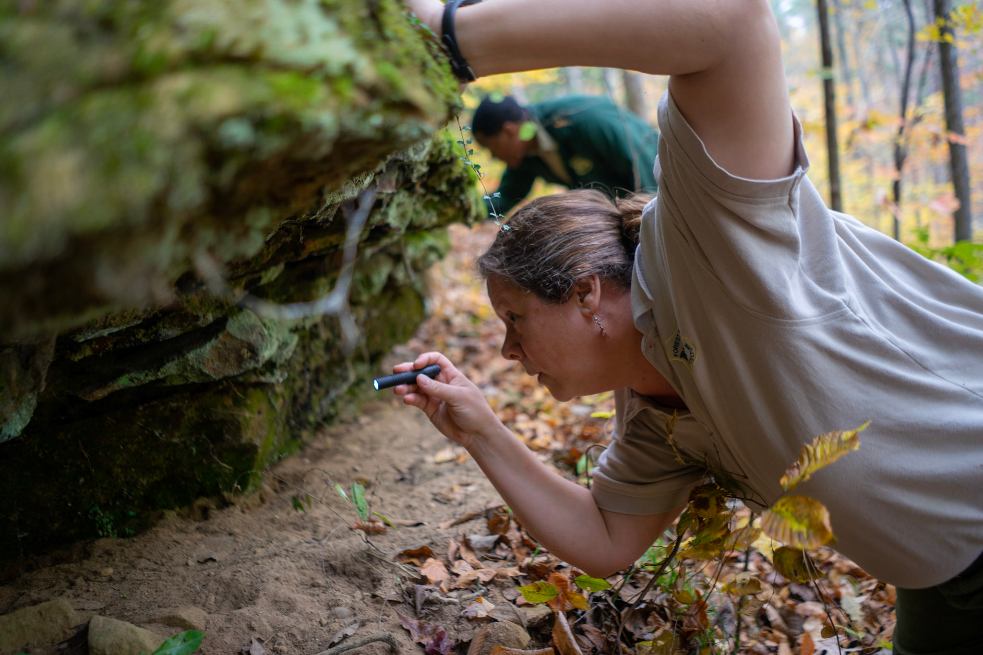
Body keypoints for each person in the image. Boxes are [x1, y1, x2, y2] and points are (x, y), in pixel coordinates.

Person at [395, 1, 983, 653]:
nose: (506, 350)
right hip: (941, 580)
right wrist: (477, 425)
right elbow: (604, 538)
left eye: (515, 318)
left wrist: (450, 39)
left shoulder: (707, 255)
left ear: (586, 295)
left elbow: (731, 23)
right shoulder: (653, 416)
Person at [472, 94, 659, 215]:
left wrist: (651, 222)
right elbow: (504, 199)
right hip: (626, 216)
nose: (493, 157)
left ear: (509, 132)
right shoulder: (526, 154)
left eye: (491, 147)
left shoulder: (584, 121)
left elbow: (646, 165)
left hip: (662, 198)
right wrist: (463, 210)